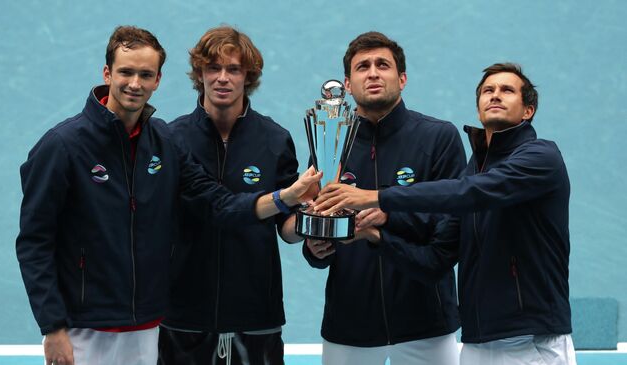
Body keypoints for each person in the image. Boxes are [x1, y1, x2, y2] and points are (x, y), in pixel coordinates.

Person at [16, 25, 320, 365]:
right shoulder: (63, 145)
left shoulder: (163, 142)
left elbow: (217, 205)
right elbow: (34, 241)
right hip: (89, 328)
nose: (135, 83)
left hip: (148, 326)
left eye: (145, 74)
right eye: (126, 72)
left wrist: (288, 197)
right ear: (107, 73)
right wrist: (53, 327)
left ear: (158, 80)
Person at [315, 63, 576, 365]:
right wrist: (374, 236)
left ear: (528, 110)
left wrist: (376, 198)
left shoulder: (541, 157)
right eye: (488, 91)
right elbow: (434, 262)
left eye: (507, 90)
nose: (495, 96)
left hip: (532, 340)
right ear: (479, 108)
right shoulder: (474, 169)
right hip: (478, 342)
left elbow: (469, 193)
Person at [303, 31, 465, 365]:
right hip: (349, 328)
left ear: (402, 79)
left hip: (428, 327)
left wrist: (387, 214)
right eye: (363, 67)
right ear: (347, 85)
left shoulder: (438, 137)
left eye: (383, 65)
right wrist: (315, 246)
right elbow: (318, 230)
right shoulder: (328, 142)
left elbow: (450, 226)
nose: (373, 73)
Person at [157, 26, 303, 365]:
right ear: (200, 74)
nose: (222, 78)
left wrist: (314, 228)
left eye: (233, 69)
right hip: (182, 314)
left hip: (256, 316)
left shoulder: (275, 140)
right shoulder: (170, 139)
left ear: (247, 76)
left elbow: (286, 226)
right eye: (213, 68)